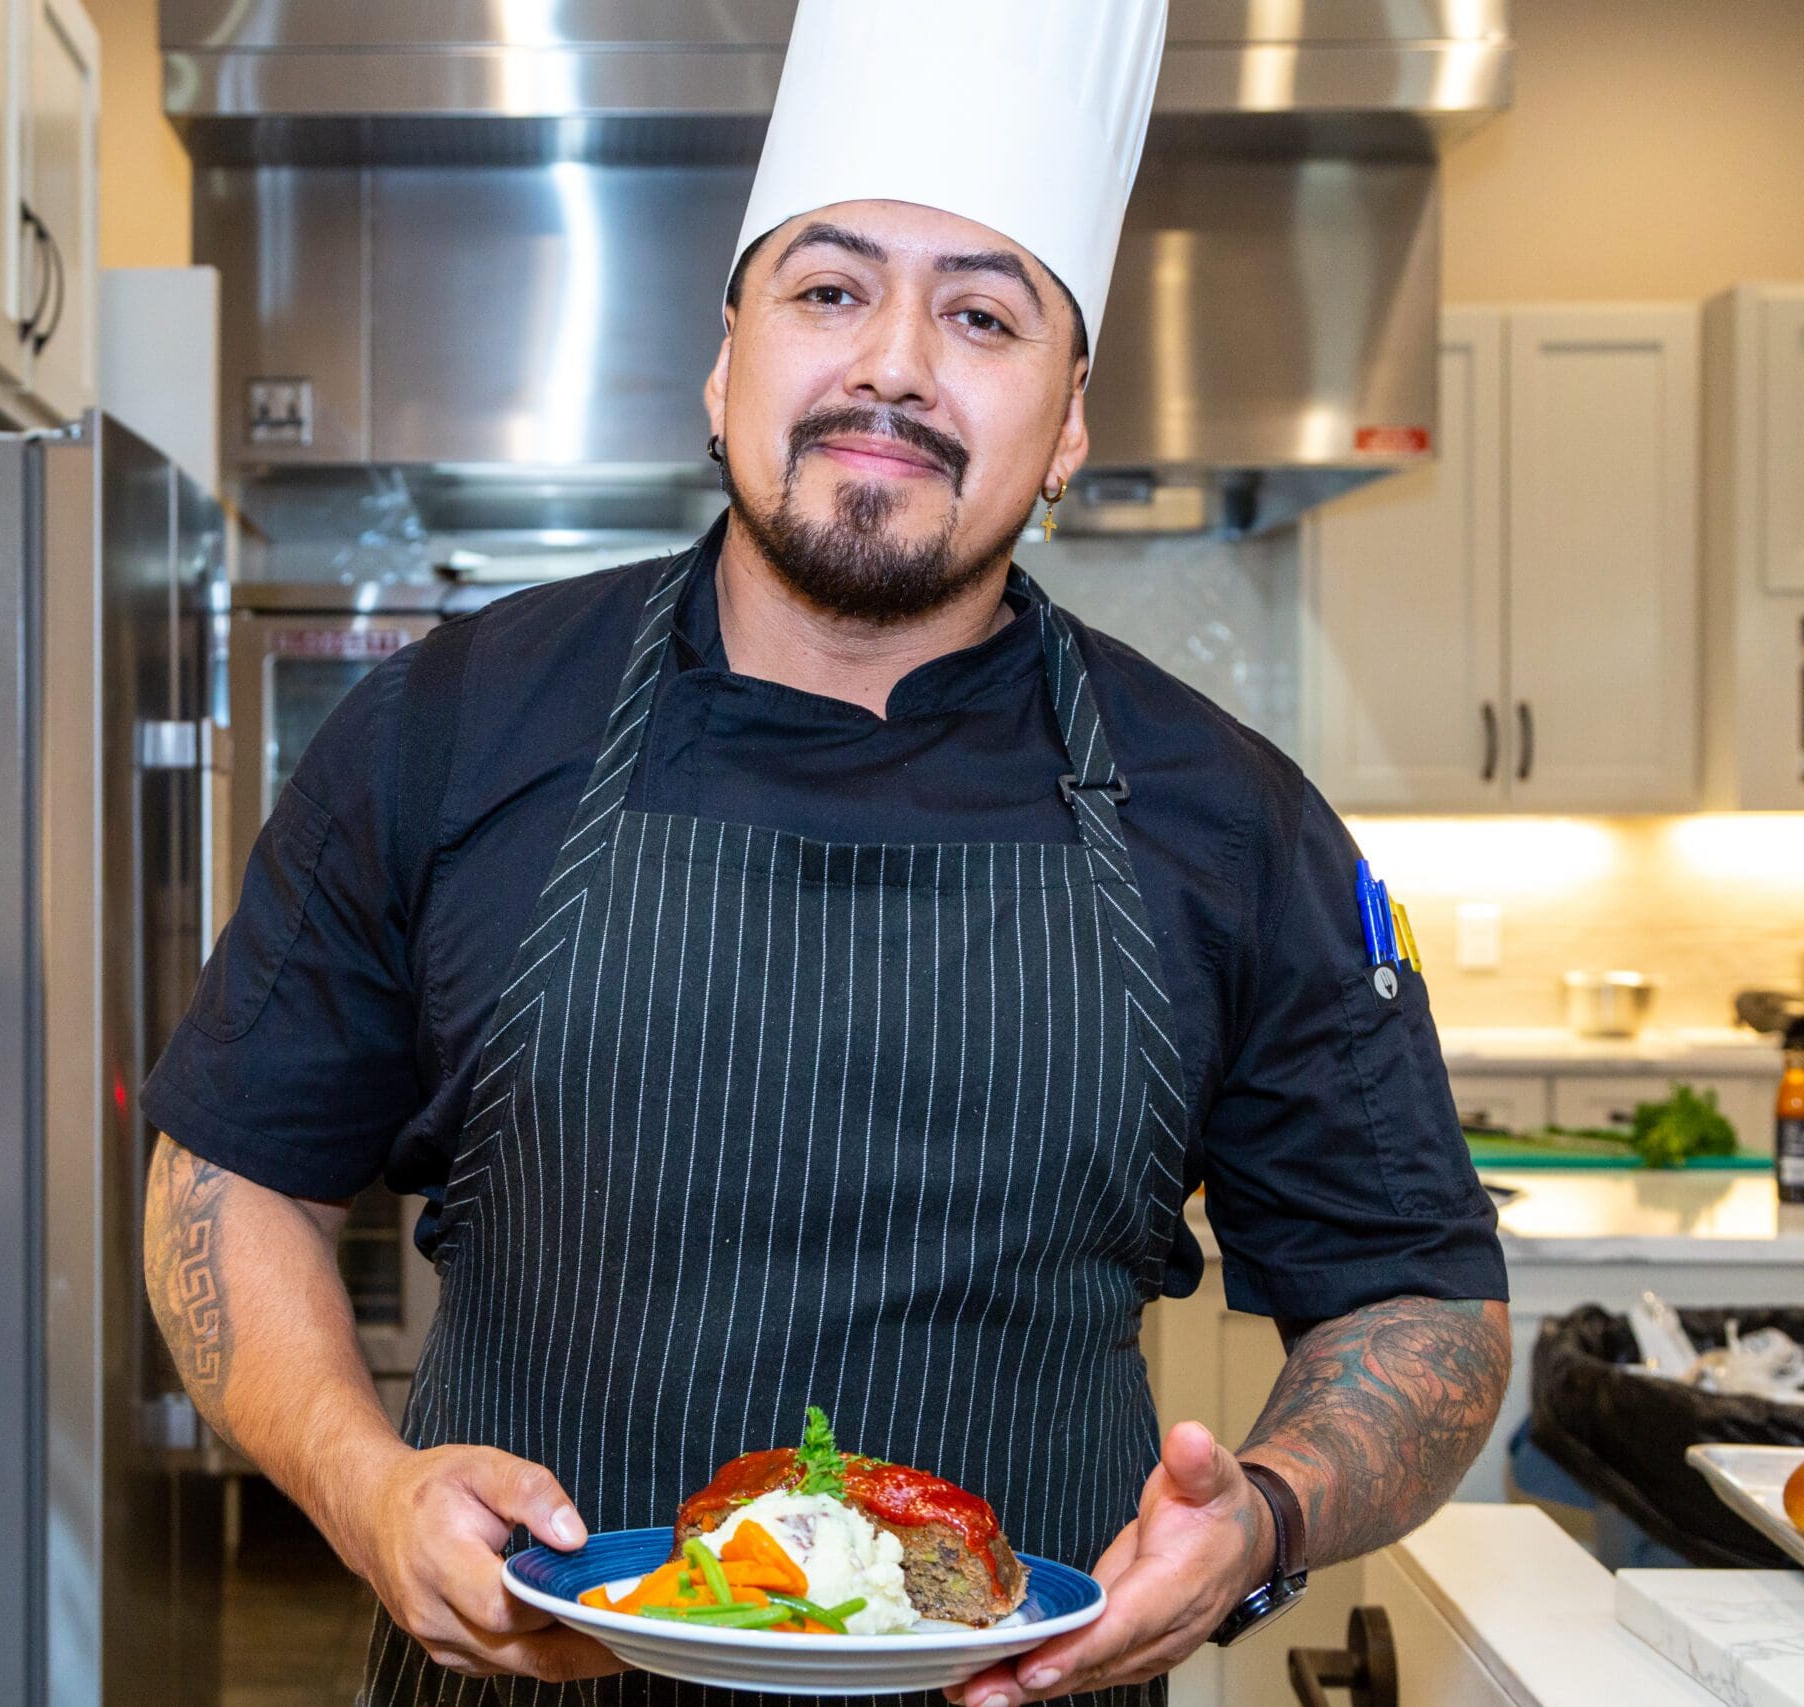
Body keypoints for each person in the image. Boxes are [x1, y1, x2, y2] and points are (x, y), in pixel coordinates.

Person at [142, 3, 1511, 1702]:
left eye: (984, 314)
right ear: (724, 369)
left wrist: (1270, 1517)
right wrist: (365, 1490)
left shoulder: (1229, 817)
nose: (894, 364)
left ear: (1070, 423)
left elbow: (1420, 1306)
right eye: (830, 289)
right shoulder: (450, 729)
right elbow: (227, 1178)